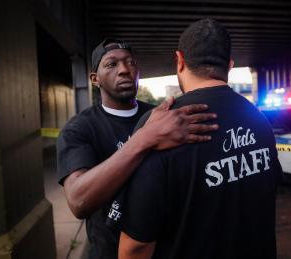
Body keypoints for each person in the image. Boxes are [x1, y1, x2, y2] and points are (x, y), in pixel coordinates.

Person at [107, 19, 282, 259]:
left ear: (179, 60)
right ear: (229, 66)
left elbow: (136, 246)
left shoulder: (161, 125)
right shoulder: (258, 119)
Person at [57, 38, 219, 258]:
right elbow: (78, 200)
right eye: (111, 64)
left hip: (166, 247)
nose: (124, 70)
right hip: (109, 251)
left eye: (130, 63)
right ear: (95, 79)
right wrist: (144, 139)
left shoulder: (162, 116)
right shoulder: (79, 128)